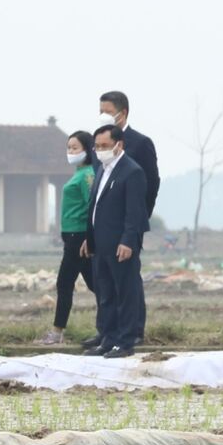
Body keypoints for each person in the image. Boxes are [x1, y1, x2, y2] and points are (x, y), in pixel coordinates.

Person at [83, 123, 147, 358]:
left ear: (118, 145)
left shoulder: (132, 172)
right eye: (97, 146)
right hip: (100, 244)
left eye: (105, 146)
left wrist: (128, 241)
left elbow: (135, 212)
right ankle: (108, 339)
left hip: (121, 245)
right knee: (106, 294)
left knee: (125, 293)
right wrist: (89, 239)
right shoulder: (102, 169)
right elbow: (95, 207)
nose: (99, 150)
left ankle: (125, 341)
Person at [38, 130, 97, 348]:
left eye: (75, 148)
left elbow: (92, 207)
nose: (70, 151)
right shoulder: (79, 173)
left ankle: (56, 333)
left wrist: (89, 238)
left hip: (78, 236)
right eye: (69, 147)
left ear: (87, 150)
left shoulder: (87, 175)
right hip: (72, 235)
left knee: (64, 283)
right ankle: (111, 324)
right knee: (95, 283)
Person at [97, 91, 159, 219]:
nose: (103, 116)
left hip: (127, 220)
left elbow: (152, 183)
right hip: (102, 221)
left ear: (123, 113)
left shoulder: (141, 143)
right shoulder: (97, 143)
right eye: (101, 112)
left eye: (108, 112)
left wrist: (140, 218)